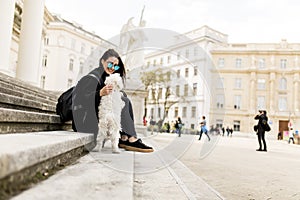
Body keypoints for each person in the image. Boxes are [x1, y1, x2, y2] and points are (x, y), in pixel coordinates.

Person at [72, 49, 153, 153]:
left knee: (123, 98)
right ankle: (129, 138)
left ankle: (125, 137)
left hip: (98, 119)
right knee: (124, 100)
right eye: (110, 64)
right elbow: (81, 100)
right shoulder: (92, 78)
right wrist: (99, 93)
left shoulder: (107, 77)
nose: (112, 68)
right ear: (102, 61)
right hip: (83, 122)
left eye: (116, 66)